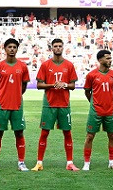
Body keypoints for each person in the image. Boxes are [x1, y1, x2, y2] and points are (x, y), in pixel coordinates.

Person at [31, 39, 79, 172]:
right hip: (49, 104)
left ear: (63, 47)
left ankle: (69, 163)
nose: (57, 48)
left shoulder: (69, 65)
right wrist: (53, 85)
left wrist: (64, 84)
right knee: (44, 133)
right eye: (55, 46)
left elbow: (73, 86)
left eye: (60, 46)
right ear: (51, 48)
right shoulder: (46, 65)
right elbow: (39, 85)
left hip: (64, 104)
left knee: (67, 133)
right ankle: (39, 162)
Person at [0, 38, 30, 172]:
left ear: (17, 49)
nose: (12, 49)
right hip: (1, 105)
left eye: (14, 47)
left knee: (19, 133)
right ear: (5, 49)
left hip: (17, 105)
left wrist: (15, 95)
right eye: (9, 47)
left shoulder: (23, 66)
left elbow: (24, 86)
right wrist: (2, 96)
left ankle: (21, 162)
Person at [82, 50, 113, 171]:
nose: (110, 60)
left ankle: (112, 162)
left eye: (110, 58)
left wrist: (107, 101)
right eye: (107, 58)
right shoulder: (91, 75)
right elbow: (87, 91)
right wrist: (94, 103)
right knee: (90, 136)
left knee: (112, 136)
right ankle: (86, 163)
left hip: (110, 111)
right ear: (100, 60)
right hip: (95, 111)